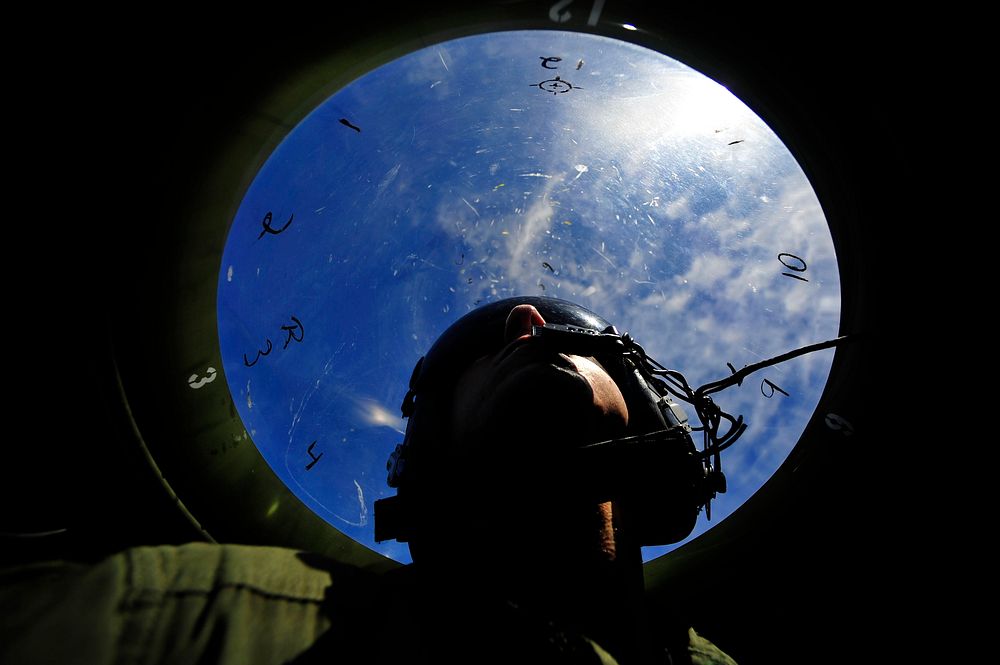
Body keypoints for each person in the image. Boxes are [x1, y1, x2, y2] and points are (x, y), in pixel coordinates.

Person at [0, 297, 736, 665]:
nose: (526, 322)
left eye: (563, 336)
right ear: (430, 449)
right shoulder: (188, 618)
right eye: (486, 354)